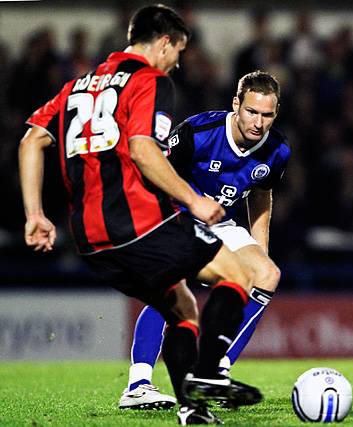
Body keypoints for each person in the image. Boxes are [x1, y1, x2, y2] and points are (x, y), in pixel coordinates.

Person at [18, 5, 261, 425]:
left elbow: (31, 141)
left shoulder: (78, 86)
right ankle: (208, 375)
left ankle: (192, 411)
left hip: (90, 240)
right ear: (164, 42)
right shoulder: (149, 79)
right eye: (178, 50)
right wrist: (196, 200)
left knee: (182, 307)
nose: (178, 61)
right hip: (139, 222)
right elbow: (142, 150)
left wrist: (35, 215)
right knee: (238, 275)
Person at [119, 70, 290, 409]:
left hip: (221, 222)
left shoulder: (277, 150)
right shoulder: (199, 132)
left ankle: (215, 372)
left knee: (268, 274)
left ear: (276, 112)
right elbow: (155, 175)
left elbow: (260, 196)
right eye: (251, 112)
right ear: (236, 104)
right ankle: (138, 385)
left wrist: (260, 250)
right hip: (176, 214)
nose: (258, 122)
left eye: (267, 115)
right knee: (171, 287)